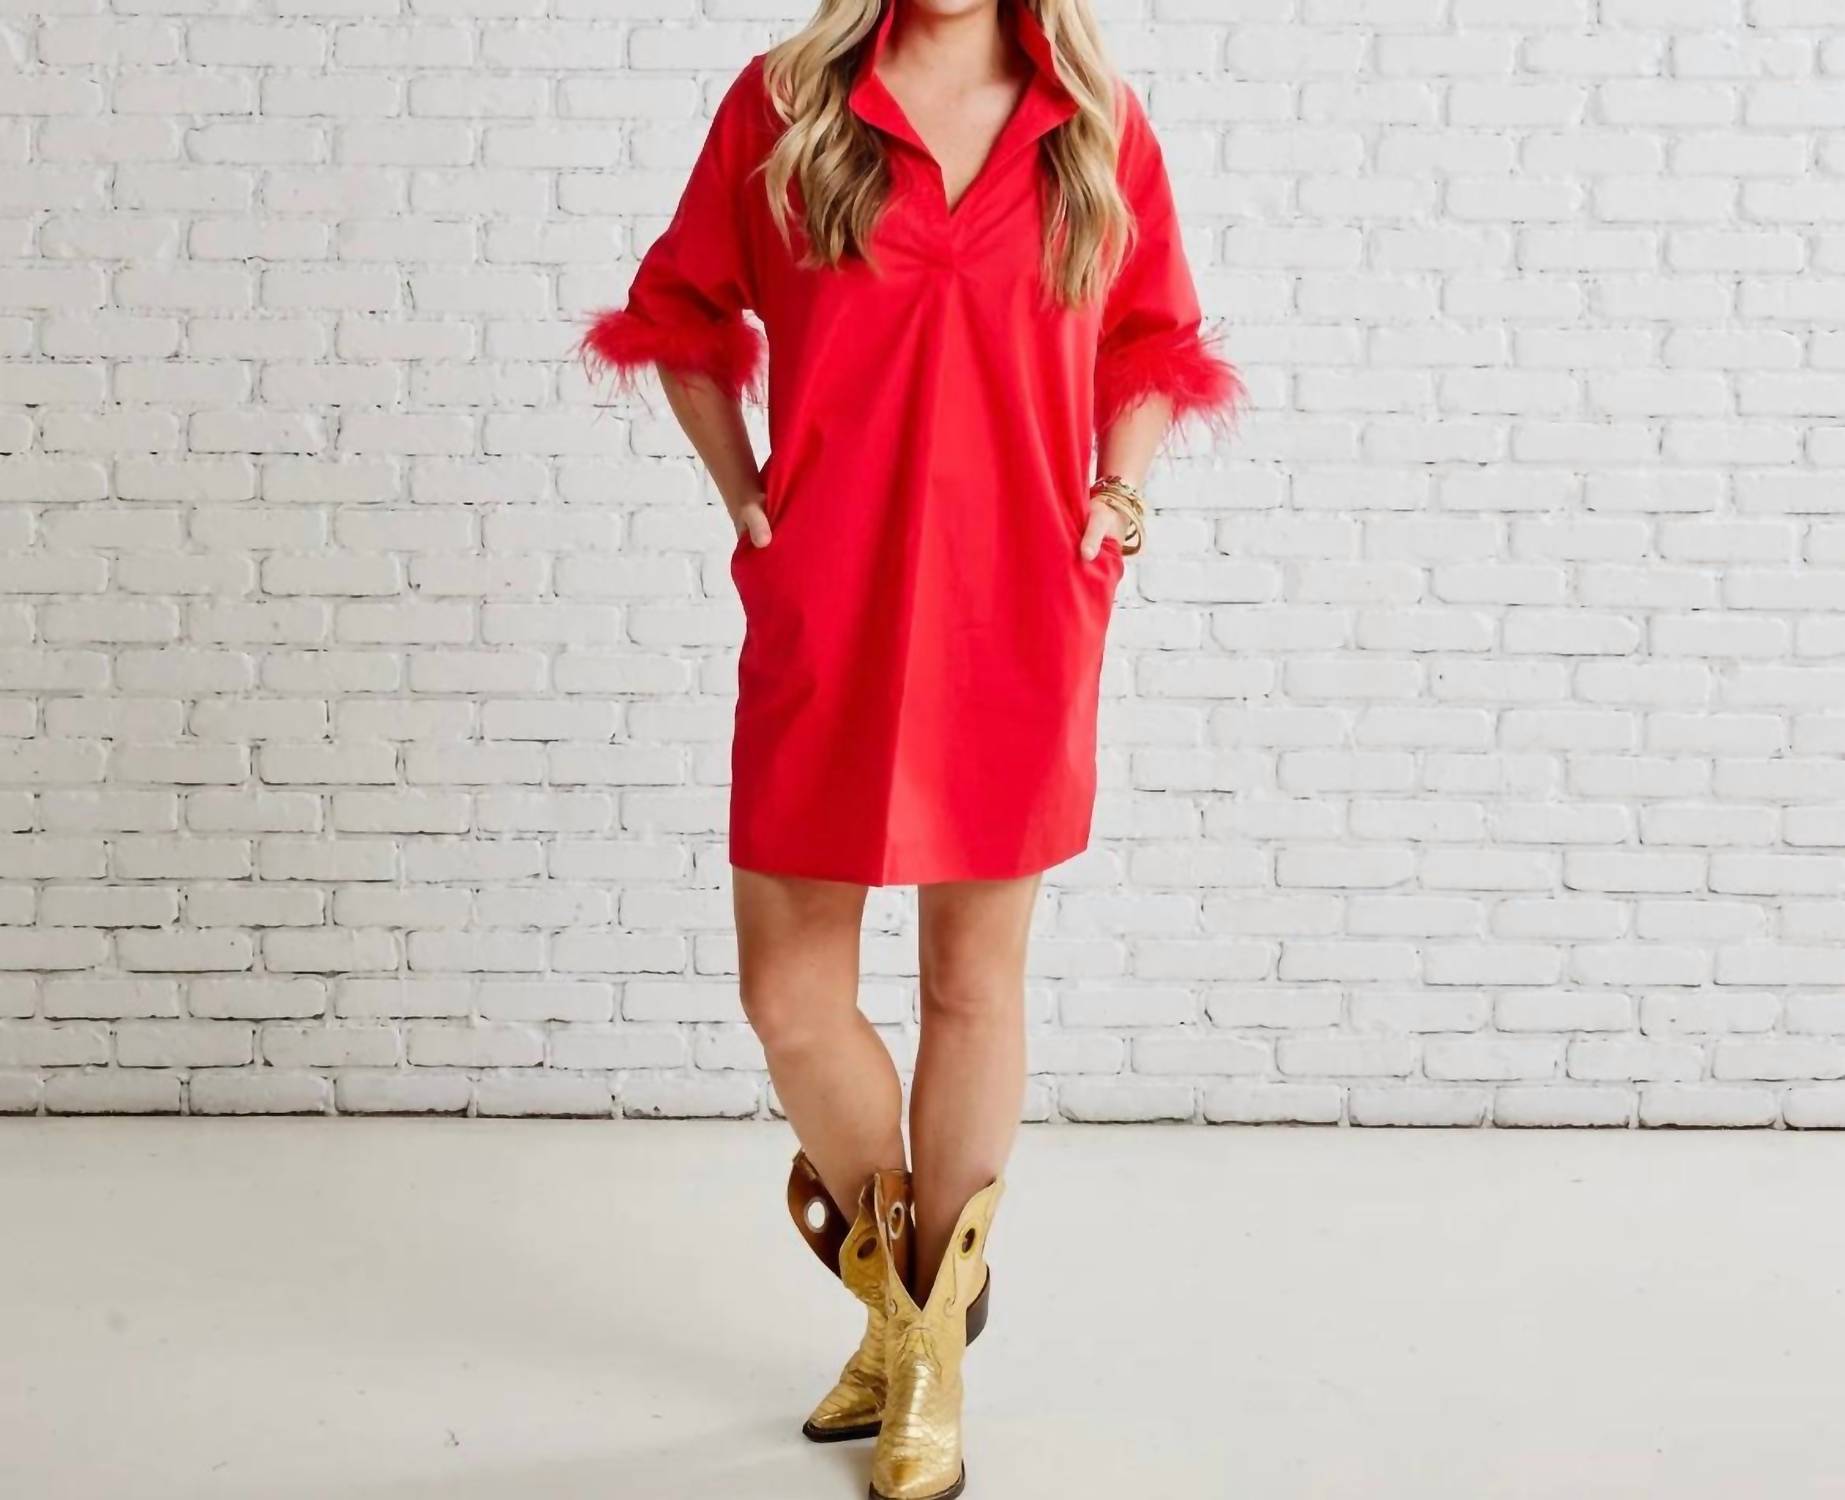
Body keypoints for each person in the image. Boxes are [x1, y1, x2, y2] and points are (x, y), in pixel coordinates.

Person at [578, 2, 1243, 1495]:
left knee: (969, 982)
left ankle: (927, 1354)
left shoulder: (1090, 121)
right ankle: (906, 1305)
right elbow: (679, 310)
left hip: (1017, 600)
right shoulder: (786, 104)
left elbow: (1153, 337)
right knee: (789, 993)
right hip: (830, 594)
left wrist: (1117, 500)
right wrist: (745, 499)